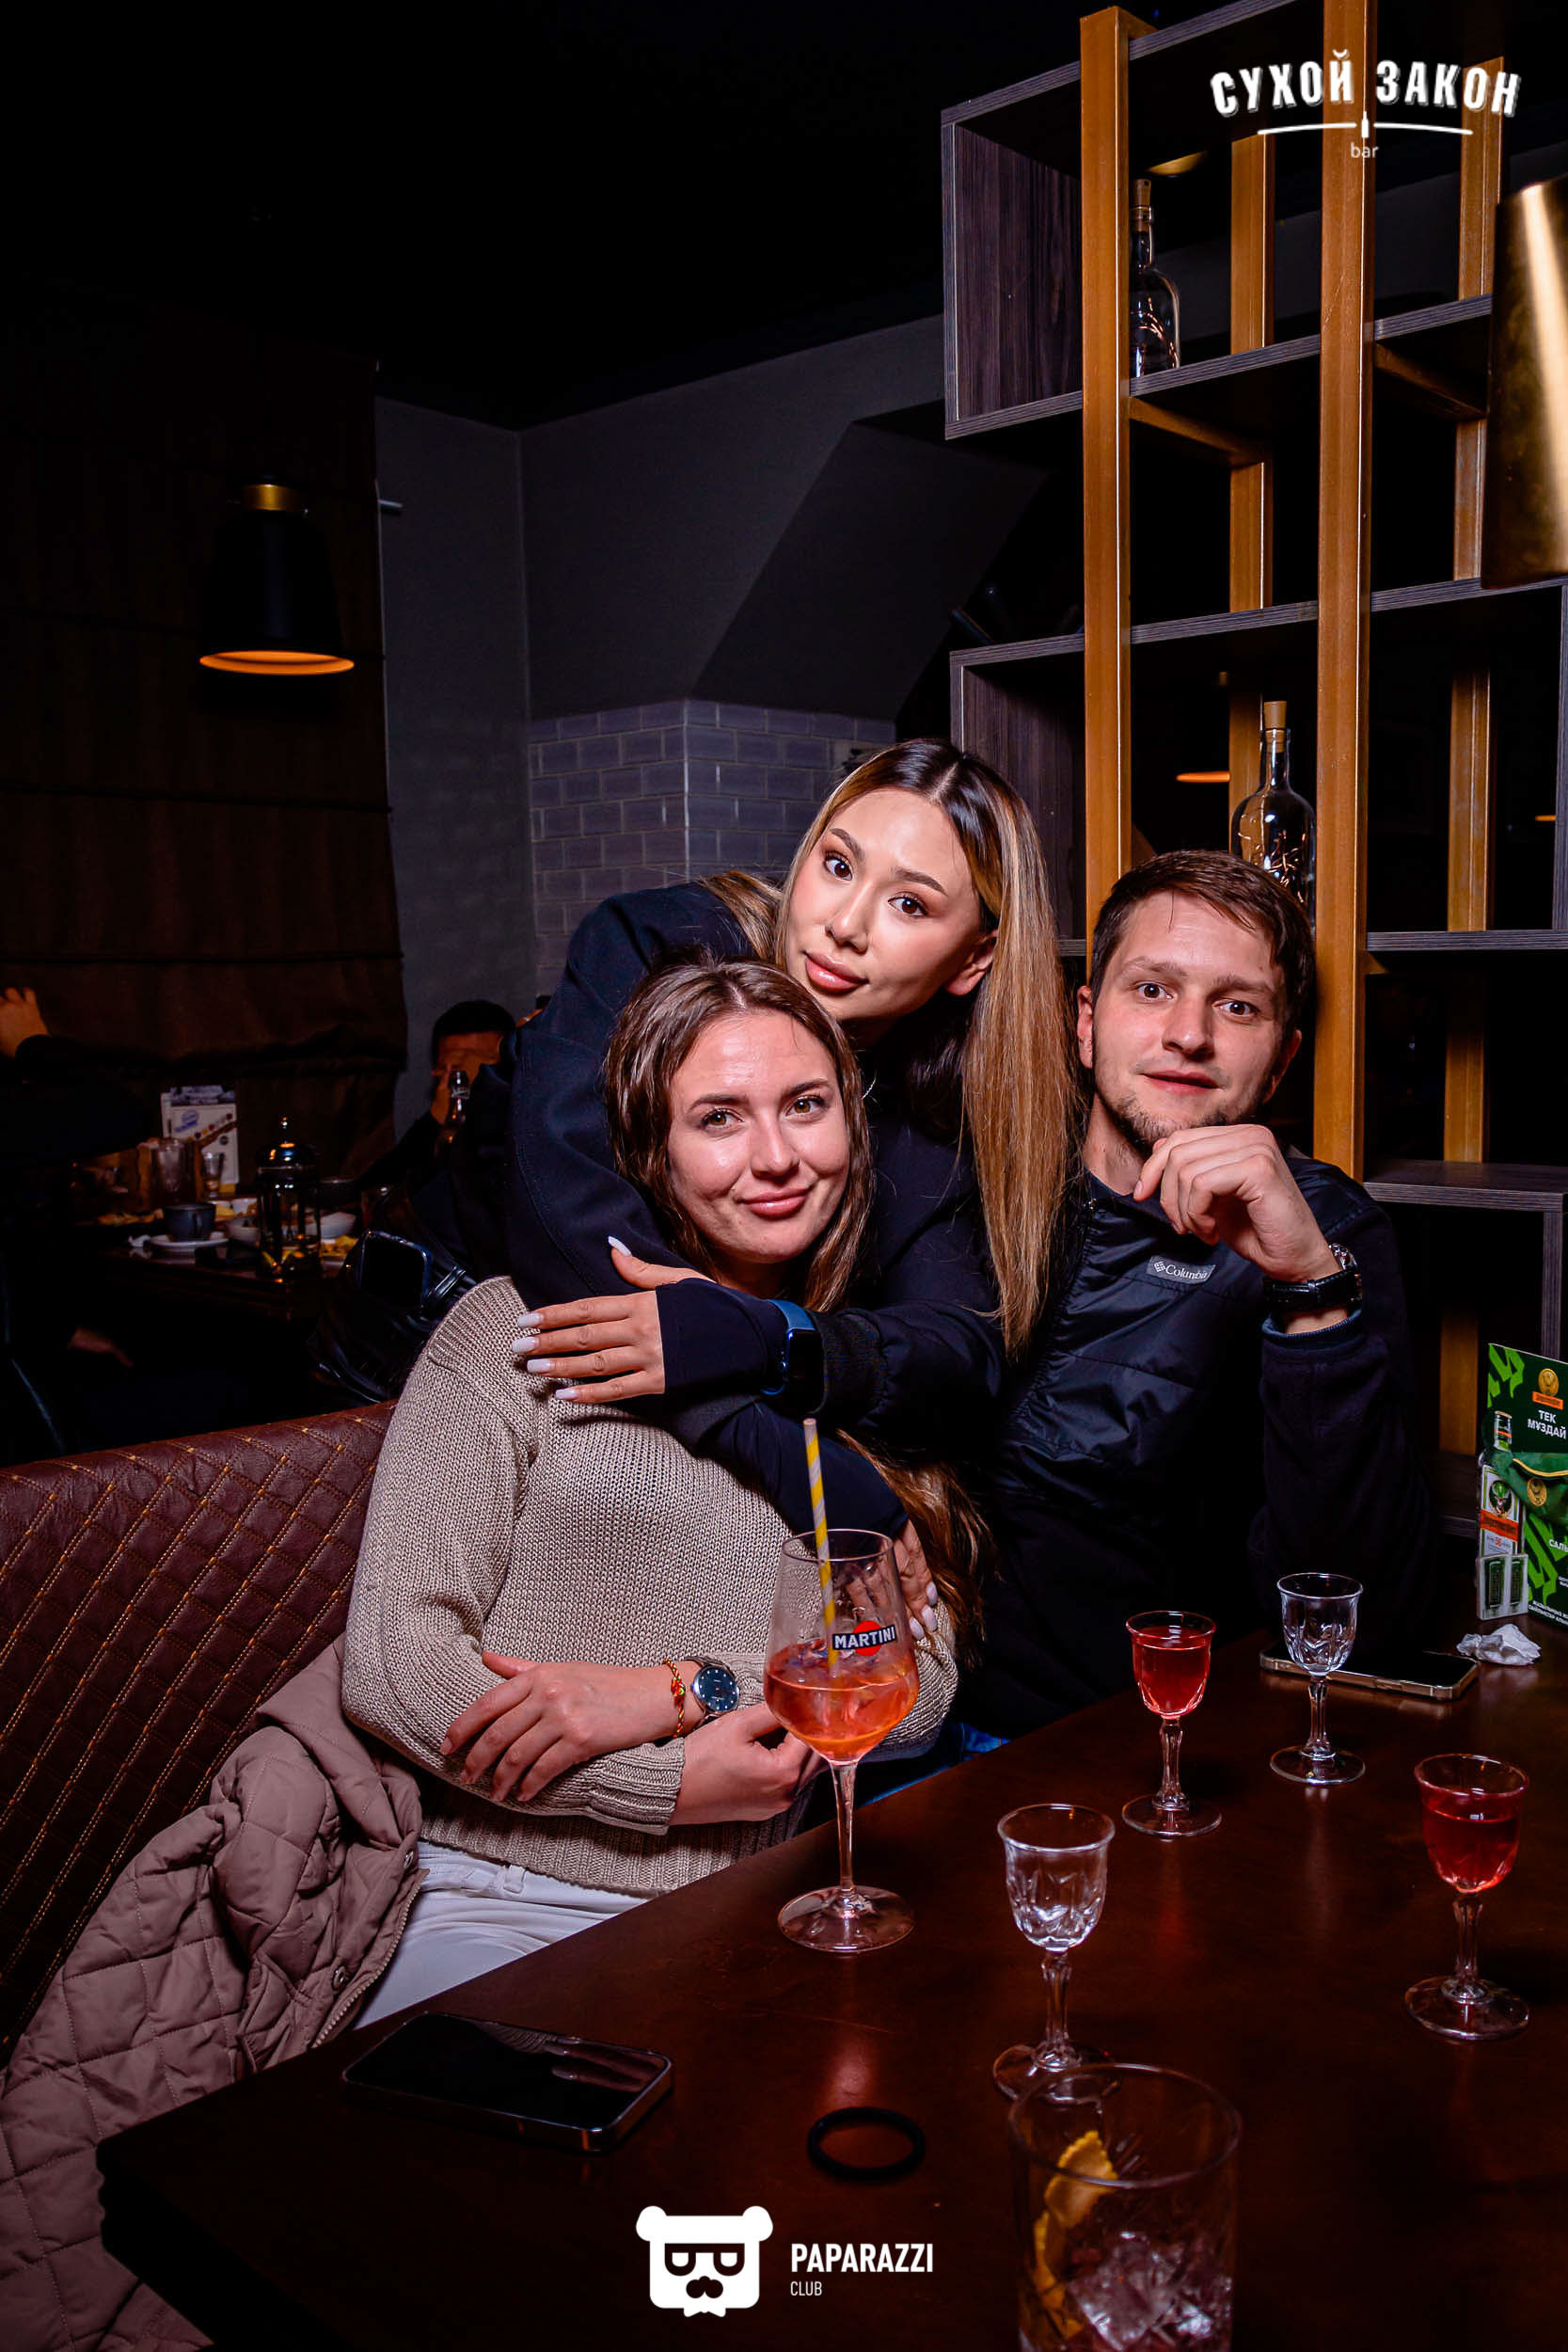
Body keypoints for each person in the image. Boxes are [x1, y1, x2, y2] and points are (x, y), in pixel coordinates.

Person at [341, 956, 961, 2018]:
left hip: (770, 1910)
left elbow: (918, 1686)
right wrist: (660, 1787)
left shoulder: (862, 1366)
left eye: (805, 1106)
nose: (775, 1157)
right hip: (504, 1898)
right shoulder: (520, 1330)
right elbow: (395, 1660)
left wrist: (686, 1687)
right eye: (718, 1118)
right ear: (649, 1149)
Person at [502, 739, 1078, 1526]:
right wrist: (774, 1445)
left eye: (909, 905)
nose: (843, 925)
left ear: (974, 959)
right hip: (447, 1353)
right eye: (838, 866)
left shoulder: (931, 1110)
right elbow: (565, 1208)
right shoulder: (661, 948)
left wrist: (769, 1341)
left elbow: (953, 1352)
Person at [959, 850, 1433, 1740]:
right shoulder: (986, 1174)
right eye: (1152, 990)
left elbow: (1366, 1615)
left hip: (1146, 1750)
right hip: (915, 1723)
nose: (1188, 1034)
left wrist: (1307, 1286)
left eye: (1237, 1006)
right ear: (1086, 1023)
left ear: (1281, 1059)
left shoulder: (1327, 1231)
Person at [357, 996, 515, 1192]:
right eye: (454, 1066)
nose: (466, 1076)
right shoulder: (435, 1131)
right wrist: (438, 1117)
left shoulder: (525, 1123)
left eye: (479, 1064)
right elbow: (373, 1192)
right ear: (438, 1071)